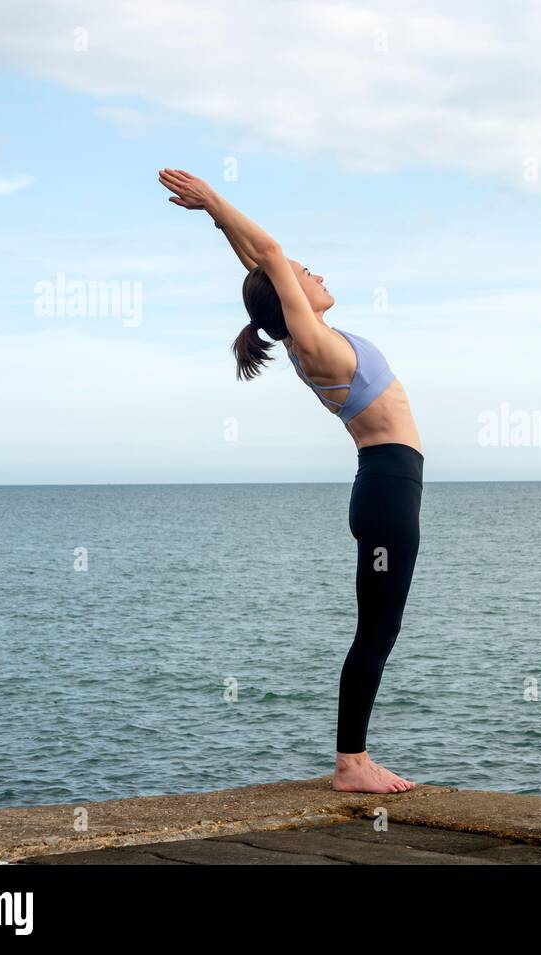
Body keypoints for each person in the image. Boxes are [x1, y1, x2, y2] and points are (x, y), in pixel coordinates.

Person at [158, 168, 423, 794]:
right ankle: (352, 764)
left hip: (386, 488)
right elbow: (271, 257)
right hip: (387, 491)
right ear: (291, 300)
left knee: (379, 628)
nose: (316, 274)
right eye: (307, 275)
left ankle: (354, 759)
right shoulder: (316, 344)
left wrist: (217, 219)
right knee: (377, 631)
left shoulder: (312, 336)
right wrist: (217, 201)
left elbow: (262, 263)